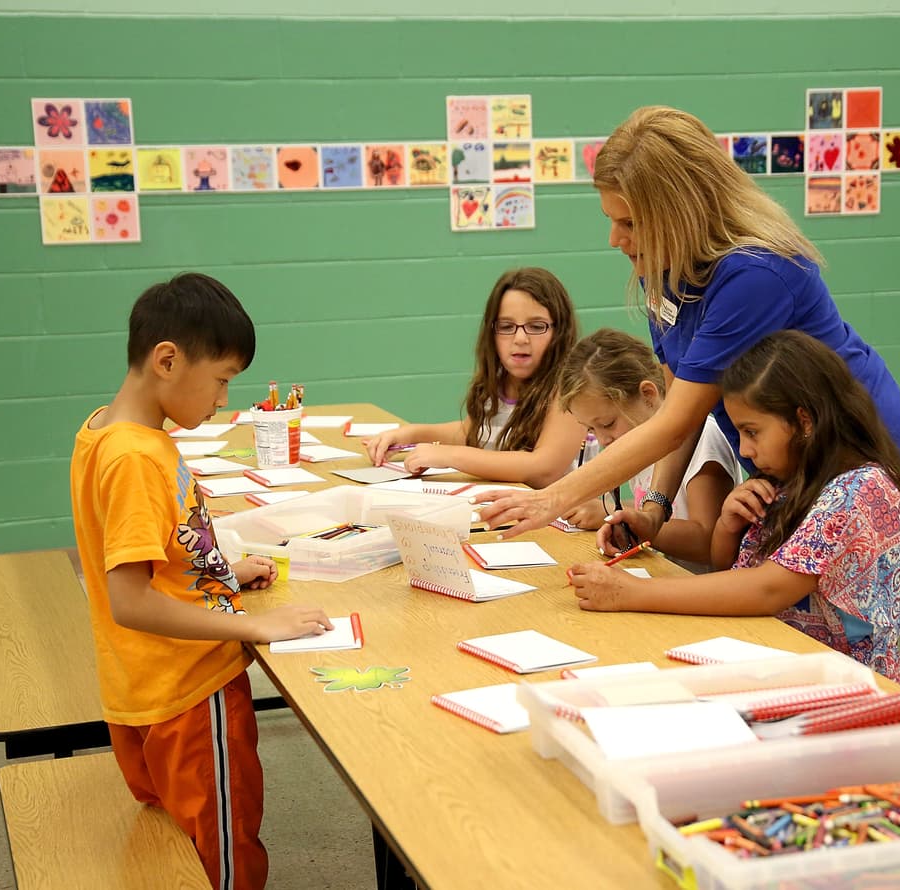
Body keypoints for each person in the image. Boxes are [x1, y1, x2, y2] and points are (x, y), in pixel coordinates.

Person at [477, 105, 900, 547]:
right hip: (791, 467)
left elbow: (675, 420)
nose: (614, 239)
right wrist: (655, 510)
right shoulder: (664, 269)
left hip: (856, 465)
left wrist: (550, 500)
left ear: (679, 212)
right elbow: (678, 412)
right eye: (610, 220)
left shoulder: (754, 275)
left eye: (629, 223)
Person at [69, 272, 333, 890]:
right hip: (188, 690)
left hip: (141, 684)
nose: (221, 399)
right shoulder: (136, 457)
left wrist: (218, 570)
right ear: (168, 360)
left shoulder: (106, 430)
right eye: (220, 381)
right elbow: (130, 600)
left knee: (188, 840)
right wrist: (254, 624)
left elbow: (149, 553)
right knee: (223, 851)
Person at [567, 331, 900, 682]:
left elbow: (767, 589)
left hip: (843, 683)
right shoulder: (790, 477)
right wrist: (728, 525)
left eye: (752, 432)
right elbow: (728, 565)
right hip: (775, 655)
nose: (743, 451)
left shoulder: (858, 490)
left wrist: (632, 592)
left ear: (804, 421)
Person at [364, 267, 585, 487]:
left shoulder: (571, 390)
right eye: (506, 326)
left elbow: (542, 469)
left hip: (559, 520)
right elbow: (472, 433)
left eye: (536, 326)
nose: (520, 338)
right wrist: (411, 434)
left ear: (560, 331)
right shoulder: (498, 380)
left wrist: (450, 456)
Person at [557, 328, 740, 572]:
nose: (602, 440)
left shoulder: (703, 439)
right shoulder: (634, 444)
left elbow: (707, 540)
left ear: (648, 394)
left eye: (608, 424)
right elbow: (666, 508)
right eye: (592, 429)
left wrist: (613, 516)